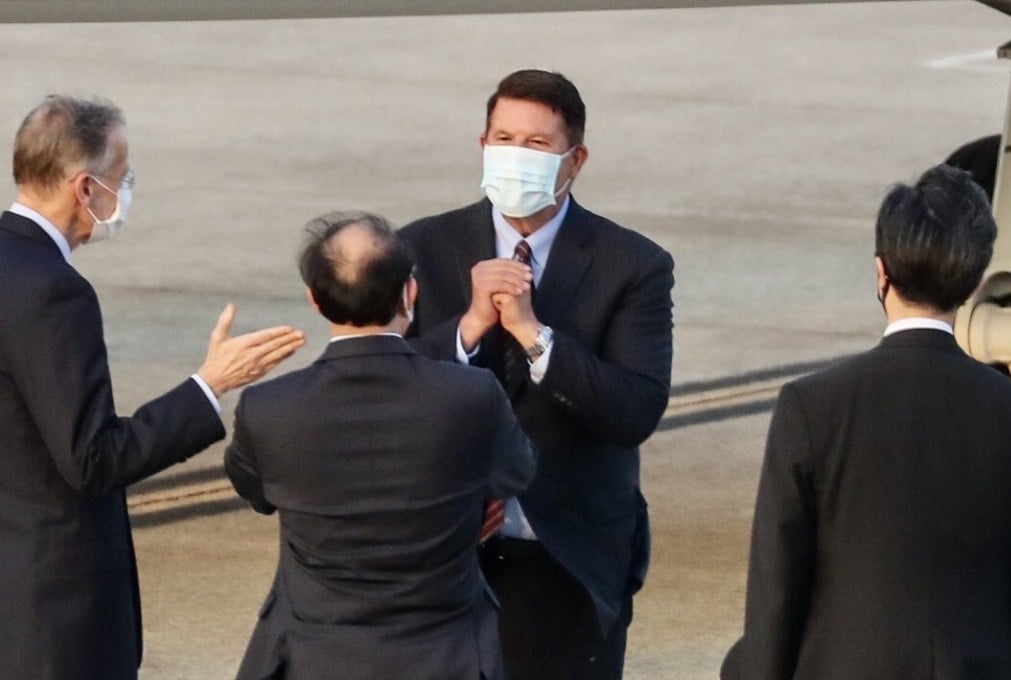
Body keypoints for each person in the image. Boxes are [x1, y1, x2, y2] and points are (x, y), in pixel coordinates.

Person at [0, 94, 306, 680]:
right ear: (84, 189)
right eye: (122, 177)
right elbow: (92, 459)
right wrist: (208, 386)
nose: (127, 190)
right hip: (50, 622)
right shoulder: (53, 293)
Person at [399, 69, 674, 679]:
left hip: (564, 557)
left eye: (537, 145)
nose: (515, 157)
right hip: (441, 556)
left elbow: (635, 410)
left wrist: (534, 335)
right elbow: (390, 388)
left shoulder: (633, 265)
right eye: (503, 139)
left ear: (575, 160)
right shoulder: (422, 246)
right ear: (482, 145)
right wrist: (468, 328)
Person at [721, 164, 1011, 679]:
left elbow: (776, 589)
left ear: (881, 272)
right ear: (972, 285)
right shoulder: (1010, 410)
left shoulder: (812, 405)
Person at [225, 211, 536, 680]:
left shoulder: (269, 408)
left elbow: (256, 491)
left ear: (314, 299)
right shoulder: (472, 396)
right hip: (447, 656)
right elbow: (514, 472)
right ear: (410, 293)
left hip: (315, 658)